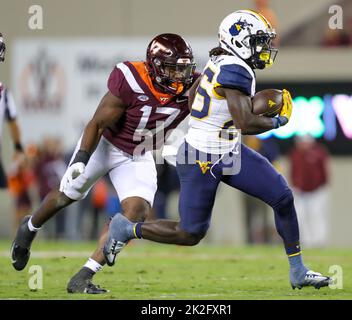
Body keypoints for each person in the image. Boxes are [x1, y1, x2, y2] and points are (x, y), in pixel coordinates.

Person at [103, 10, 332, 290]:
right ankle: (127, 229)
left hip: (227, 150)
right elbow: (245, 122)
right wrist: (278, 120)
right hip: (201, 157)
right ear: (239, 40)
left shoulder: (222, 59)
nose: (264, 48)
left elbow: (192, 97)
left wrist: (215, 119)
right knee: (190, 233)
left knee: (282, 197)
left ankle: (298, 270)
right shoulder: (236, 70)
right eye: (258, 41)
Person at [11, 33, 199, 294]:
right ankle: (30, 227)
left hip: (141, 153)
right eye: (172, 69)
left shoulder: (195, 86)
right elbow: (97, 123)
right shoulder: (131, 78)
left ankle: (84, 275)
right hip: (106, 145)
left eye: (184, 69)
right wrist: (81, 159)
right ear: (155, 66)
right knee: (67, 195)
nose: (180, 76)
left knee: (136, 211)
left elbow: (223, 94)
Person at [289, 134, 330, 248]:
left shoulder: (319, 152)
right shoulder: (295, 153)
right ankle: (306, 241)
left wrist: (323, 187)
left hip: (317, 191)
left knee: (317, 215)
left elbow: (324, 172)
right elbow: (293, 171)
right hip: (299, 190)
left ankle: (319, 240)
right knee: (300, 216)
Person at [0, 33, 25, 190]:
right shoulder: (4, 93)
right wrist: (17, 147)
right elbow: (14, 123)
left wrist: (18, 147)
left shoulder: (4, 93)